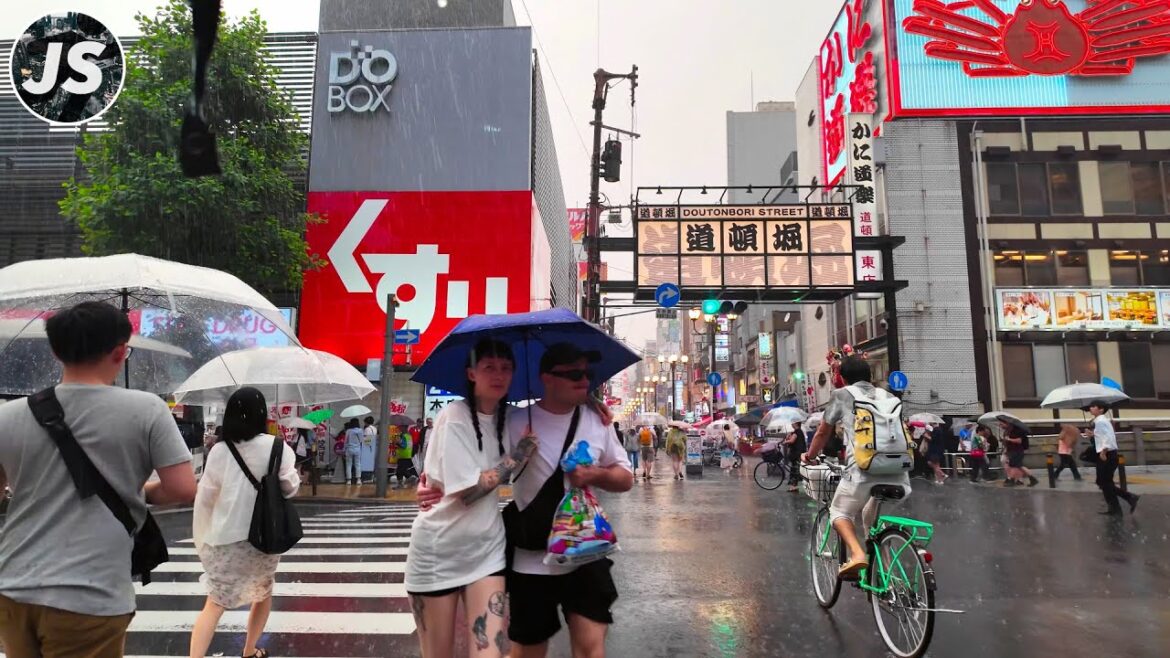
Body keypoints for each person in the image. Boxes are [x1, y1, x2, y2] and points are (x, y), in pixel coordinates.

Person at [0, 301, 197, 657]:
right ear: (121, 352)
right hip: (89, 594)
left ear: (56, 351)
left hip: (13, 588)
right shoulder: (147, 409)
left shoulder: (8, 416)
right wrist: (143, 491)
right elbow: (183, 488)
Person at [405, 339, 536, 658]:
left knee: (490, 653)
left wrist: (591, 404)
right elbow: (469, 492)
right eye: (489, 367)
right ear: (471, 374)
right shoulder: (455, 416)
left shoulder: (515, 418)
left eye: (506, 368)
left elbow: (559, 411)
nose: (499, 374)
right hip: (438, 553)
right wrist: (518, 455)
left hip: (486, 555)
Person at [502, 344, 633, 656]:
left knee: (590, 648)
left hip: (586, 552)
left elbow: (626, 478)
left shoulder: (596, 420)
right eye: (574, 373)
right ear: (547, 378)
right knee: (528, 651)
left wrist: (595, 475)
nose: (584, 380)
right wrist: (518, 456)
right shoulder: (514, 421)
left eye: (587, 373)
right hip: (532, 559)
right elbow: (486, 471)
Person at [190, 387, 301, 658]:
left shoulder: (219, 450)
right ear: (262, 414)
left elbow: (206, 496)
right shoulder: (278, 447)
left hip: (224, 537)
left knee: (215, 603)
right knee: (262, 594)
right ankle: (250, 650)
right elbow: (288, 488)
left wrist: (201, 536)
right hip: (263, 538)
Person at [801, 356, 911, 580]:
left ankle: (857, 554)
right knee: (873, 522)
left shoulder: (842, 395)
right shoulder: (888, 396)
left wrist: (809, 456)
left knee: (840, 512)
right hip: (900, 473)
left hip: (864, 470)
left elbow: (823, 432)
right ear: (870, 376)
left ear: (841, 377)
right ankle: (885, 573)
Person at [1086, 401, 1139, 516]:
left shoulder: (1100, 421)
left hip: (1107, 454)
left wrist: (1104, 451)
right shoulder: (1101, 421)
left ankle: (1129, 497)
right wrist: (1092, 435)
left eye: (1093, 406)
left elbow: (1108, 438)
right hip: (1108, 454)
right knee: (1104, 482)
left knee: (1104, 482)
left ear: (1100, 409)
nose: (1090, 408)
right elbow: (1103, 436)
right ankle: (1115, 508)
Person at [1000, 421, 1038, 487]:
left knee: (1014, 466)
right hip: (1013, 451)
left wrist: (1008, 439)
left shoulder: (1016, 431)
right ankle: (1033, 479)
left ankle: (1012, 480)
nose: (1000, 425)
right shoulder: (1009, 431)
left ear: (1007, 423)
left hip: (1016, 451)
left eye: (1002, 424)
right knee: (1019, 466)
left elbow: (1019, 441)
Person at [396, 421, 419, 489]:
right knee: (400, 471)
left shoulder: (403, 436)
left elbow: (403, 446)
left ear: (404, 427)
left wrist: (397, 443)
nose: (399, 428)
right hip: (407, 455)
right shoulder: (409, 435)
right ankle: (402, 484)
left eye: (401, 427)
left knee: (400, 471)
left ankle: (412, 478)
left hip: (403, 455)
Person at [785, 422, 807, 492]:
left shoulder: (797, 432)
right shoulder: (798, 432)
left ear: (796, 424)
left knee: (795, 470)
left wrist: (785, 442)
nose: (791, 424)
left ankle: (793, 487)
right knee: (796, 469)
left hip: (796, 454)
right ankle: (794, 486)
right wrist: (788, 436)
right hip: (799, 453)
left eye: (793, 423)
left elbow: (792, 441)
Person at [344, 418, 363, 485]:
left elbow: (345, 441)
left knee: (348, 465)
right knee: (358, 464)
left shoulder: (348, 431)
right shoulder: (360, 431)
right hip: (357, 449)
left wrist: (344, 449)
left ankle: (349, 480)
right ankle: (358, 480)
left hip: (349, 449)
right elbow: (361, 440)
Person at [361, 417, 377, 484]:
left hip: (367, 447)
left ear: (366, 422)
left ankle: (367, 478)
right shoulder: (375, 428)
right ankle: (371, 477)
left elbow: (367, 440)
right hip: (373, 447)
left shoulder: (367, 429)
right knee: (372, 463)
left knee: (366, 464)